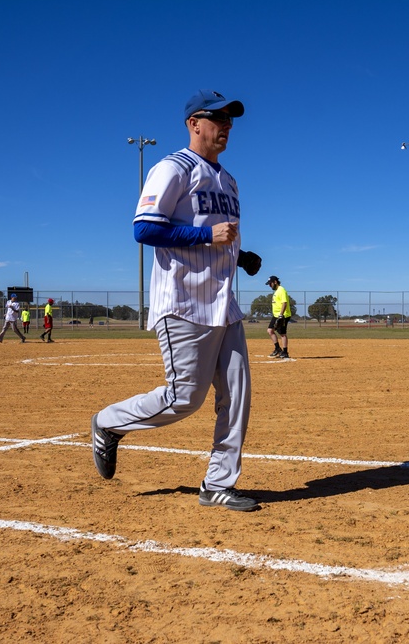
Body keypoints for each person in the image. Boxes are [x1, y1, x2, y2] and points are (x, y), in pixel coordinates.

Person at [91, 89, 263, 512]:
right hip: (184, 304)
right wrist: (208, 236)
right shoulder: (173, 168)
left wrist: (240, 257)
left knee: (237, 394)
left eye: (230, 119)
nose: (226, 125)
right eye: (217, 118)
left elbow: (215, 235)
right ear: (194, 124)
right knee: (184, 398)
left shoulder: (229, 180)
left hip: (224, 304)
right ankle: (108, 423)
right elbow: (145, 229)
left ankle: (218, 484)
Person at [266, 275, 291, 359]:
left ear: (275, 282)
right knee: (270, 330)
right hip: (276, 315)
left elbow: (284, 303)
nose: (270, 285)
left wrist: (281, 315)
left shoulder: (281, 290)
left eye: (270, 283)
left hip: (283, 315)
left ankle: (285, 352)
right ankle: (277, 349)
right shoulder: (276, 291)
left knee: (282, 333)